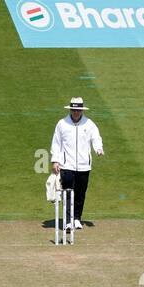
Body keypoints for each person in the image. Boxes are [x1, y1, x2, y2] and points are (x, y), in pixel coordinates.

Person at [50, 96, 104, 229]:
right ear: (70, 110)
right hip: (66, 165)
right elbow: (56, 143)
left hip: (84, 165)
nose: (76, 112)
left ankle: (77, 219)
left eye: (78, 110)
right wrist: (55, 161)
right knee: (68, 192)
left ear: (82, 110)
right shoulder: (62, 124)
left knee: (80, 193)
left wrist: (98, 148)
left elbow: (96, 137)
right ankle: (68, 220)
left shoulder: (89, 124)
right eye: (74, 110)